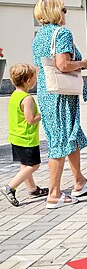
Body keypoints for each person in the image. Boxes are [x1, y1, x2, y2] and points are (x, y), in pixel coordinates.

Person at [32, 0, 87, 209]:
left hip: (47, 93)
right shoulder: (62, 33)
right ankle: (54, 194)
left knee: (72, 135)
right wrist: (85, 64)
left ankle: (79, 181)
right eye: (63, 9)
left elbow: (40, 68)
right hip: (61, 96)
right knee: (60, 141)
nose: (65, 13)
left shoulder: (39, 36)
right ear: (55, 12)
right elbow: (63, 65)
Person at [1, 64, 49, 207]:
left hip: (15, 137)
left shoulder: (15, 95)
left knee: (25, 164)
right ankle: (10, 187)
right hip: (27, 138)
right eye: (35, 77)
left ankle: (33, 189)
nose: (36, 80)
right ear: (28, 81)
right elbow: (30, 119)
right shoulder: (27, 99)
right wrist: (42, 114)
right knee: (33, 165)